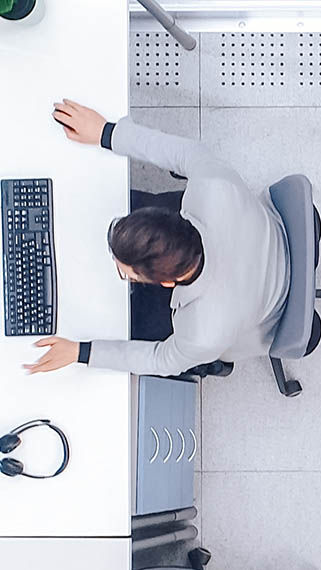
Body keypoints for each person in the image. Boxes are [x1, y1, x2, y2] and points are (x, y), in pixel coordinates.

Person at [25, 99, 291, 377]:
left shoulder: (203, 330)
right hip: (259, 235)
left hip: (261, 310)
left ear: (165, 283)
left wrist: (80, 352)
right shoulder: (213, 188)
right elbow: (186, 152)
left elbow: (159, 360)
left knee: (136, 325)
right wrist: (106, 132)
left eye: (125, 272)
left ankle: (210, 365)